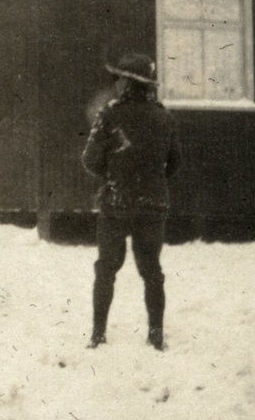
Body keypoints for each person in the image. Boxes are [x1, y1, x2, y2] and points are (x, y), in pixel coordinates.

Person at [82, 53, 182, 351]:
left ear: (128, 82)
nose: (116, 83)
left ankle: (98, 334)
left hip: (117, 202)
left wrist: (114, 175)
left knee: (106, 269)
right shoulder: (165, 117)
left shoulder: (110, 114)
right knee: (151, 269)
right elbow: (175, 163)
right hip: (153, 204)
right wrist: (152, 178)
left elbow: (89, 160)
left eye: (119, 78)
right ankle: (155, 334)